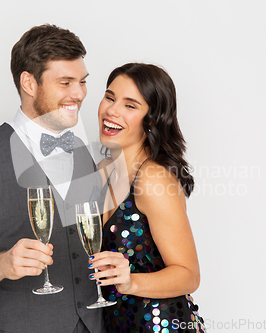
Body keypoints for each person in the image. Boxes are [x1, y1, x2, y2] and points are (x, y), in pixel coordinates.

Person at [0, 24, 105, 333]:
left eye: (82, 82)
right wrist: (1, 264)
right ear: (29, 83)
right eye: (65, 82)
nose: (80, 94)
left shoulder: (84, 152)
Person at [90, 63, 206, 332]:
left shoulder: (153, 179)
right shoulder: (101, 171)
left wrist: (132, 282)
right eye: (110, 97)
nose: (112, 110)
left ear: (152, 120)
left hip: (160, 326)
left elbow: (189, 274)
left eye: (130, 105)